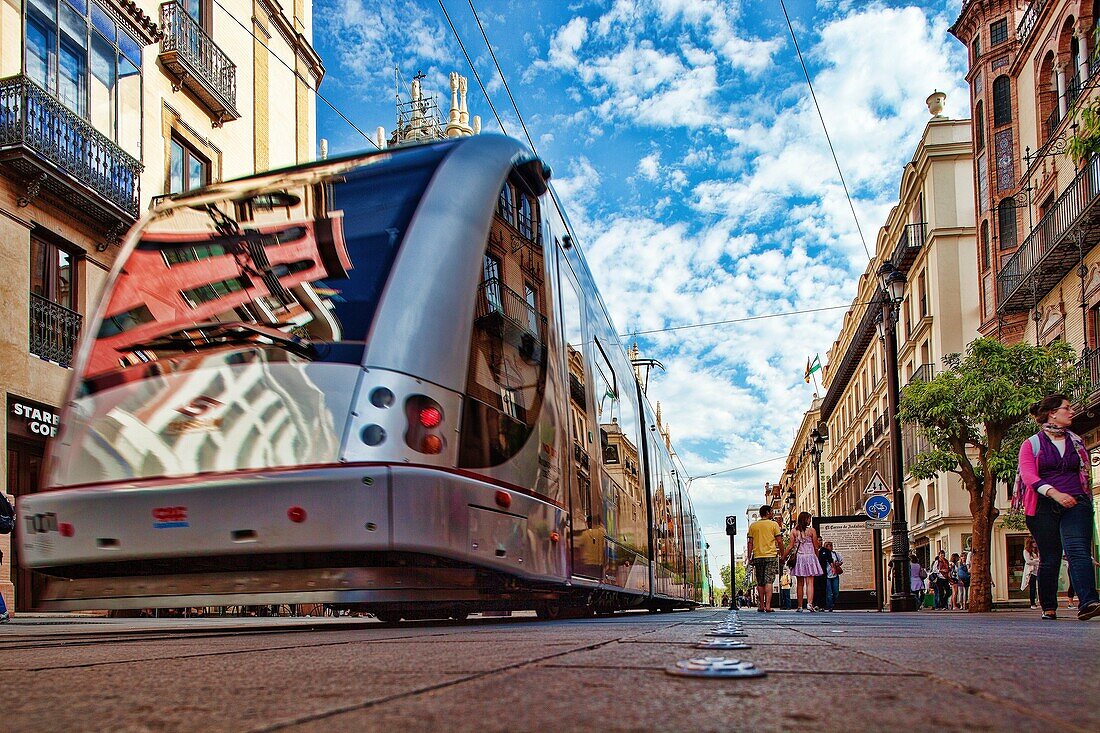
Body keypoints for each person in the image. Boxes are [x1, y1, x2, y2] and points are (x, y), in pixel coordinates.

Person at [1017, 394, 1100, 621]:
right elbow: (1028, 475)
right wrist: (1054, 493)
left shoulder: (1077, 441)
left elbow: (1082, 472)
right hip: (1043, 506)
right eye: (1067, 408)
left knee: (1077, 550)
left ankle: (1088, 602)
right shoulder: (1032, 444)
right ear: (1053, 413)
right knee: (1051, 556)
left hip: (1076, 503)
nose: (1071, 411)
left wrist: (1077, 496)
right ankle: (1049, 605)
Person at [746, 504, 784, 613]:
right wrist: (782, 554)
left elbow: (750, 543)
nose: (773, 513)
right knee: (769, 581)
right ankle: (768, 606)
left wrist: (749, 557)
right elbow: (780, 541)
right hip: (770, 556)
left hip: (758, 556)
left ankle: (761, 606)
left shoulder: (753, 526)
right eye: (771, 511)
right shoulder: (773, 524)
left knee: (760, 582)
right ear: (767, 513)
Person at [785, 511, 823, 612]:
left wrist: (783, 556)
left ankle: (800, 606)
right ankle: (810, 604)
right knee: (810, 582)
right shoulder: (812, 531)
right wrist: (817, 558)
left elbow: (790, 546)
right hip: (810, 557)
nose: (810, 520)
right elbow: (815, 546)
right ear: (805, 519)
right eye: (809, 518)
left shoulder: (793, 531)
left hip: (799, 558)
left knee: (800, 583)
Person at [818, 540, 843, 611]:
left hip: (834, 575)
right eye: (827, 545)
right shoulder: (822, 553)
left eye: (830, 545)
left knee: (836, 592)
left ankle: (833, 603)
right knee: (829, 592)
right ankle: (830, 606)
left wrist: (837, 564)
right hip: (827, 575)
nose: (829, 547)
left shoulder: (835, 554)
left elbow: (841, 561)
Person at [1021, 536, 1040, 609]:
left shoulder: (1037, 551)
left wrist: (1035, 561)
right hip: (1032, 571)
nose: (1035, 543)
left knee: (1040, 586)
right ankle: (1032, 603)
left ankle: (1039, 601)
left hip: (1038, 570)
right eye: (1033, 542)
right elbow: (1028, 561)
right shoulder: (1026, 551)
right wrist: (1037, 561)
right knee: (1033, 587)